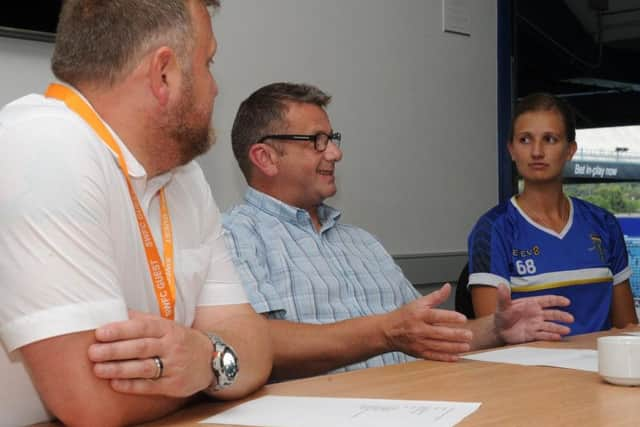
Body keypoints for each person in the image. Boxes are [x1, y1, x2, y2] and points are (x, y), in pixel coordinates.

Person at [0, 1, 273, 426]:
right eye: (208, 62)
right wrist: (214, 370)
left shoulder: (184, 176)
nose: (215, 86)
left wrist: (204, 360)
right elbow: (90, 405)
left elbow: (255, 341)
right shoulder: (42, 144)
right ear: (164, 74)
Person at [223, 82, 574, 381]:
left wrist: (496, 329)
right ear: (266, 158)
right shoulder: (234, 237)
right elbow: (252, 342)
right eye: (317, 140)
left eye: (332, 138)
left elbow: (422, 334)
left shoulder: (361, 242)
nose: (336, 152)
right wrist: (384, 333)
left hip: (419, 404)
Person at [467, 92, 638, 334]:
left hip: (599, 367)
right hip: (525, 370)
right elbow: (492, 336)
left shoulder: (603, 223)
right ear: (511, 150)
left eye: (550, 139)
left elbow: (627, 328)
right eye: (525, 140)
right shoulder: (493, 229)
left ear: (570, 150)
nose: (537, 151)